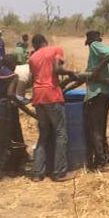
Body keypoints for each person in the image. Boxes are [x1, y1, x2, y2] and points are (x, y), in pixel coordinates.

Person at [29, 34, 76, 182]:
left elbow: (34, 78)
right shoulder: (56, 49)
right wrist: (69, 72)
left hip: (37, 96)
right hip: (52, 95)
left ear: (35, 46)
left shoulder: (32, 58)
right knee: (61, 133)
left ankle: (37, 173)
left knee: (43, 135)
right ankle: (59, 172)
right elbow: (57, 69)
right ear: (45, 41)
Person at [84, 30, 109, 170]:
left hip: (98, 94)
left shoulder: (95, 45)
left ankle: (100, 162)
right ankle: (106, 156)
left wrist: (96, 70)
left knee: (95, 128)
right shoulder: (96, 54)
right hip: (105, 93)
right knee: (101, 128)